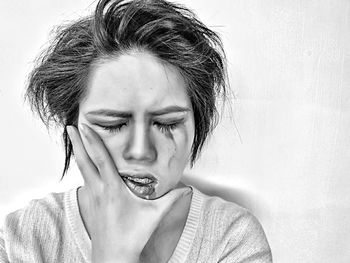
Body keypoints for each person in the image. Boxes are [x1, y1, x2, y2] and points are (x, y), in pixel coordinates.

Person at [0, 0, 272, 262]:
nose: (141, 151)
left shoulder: (232, 237)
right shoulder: (22, 238)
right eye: (112, 125)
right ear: (72, 125)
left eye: (167, 123)